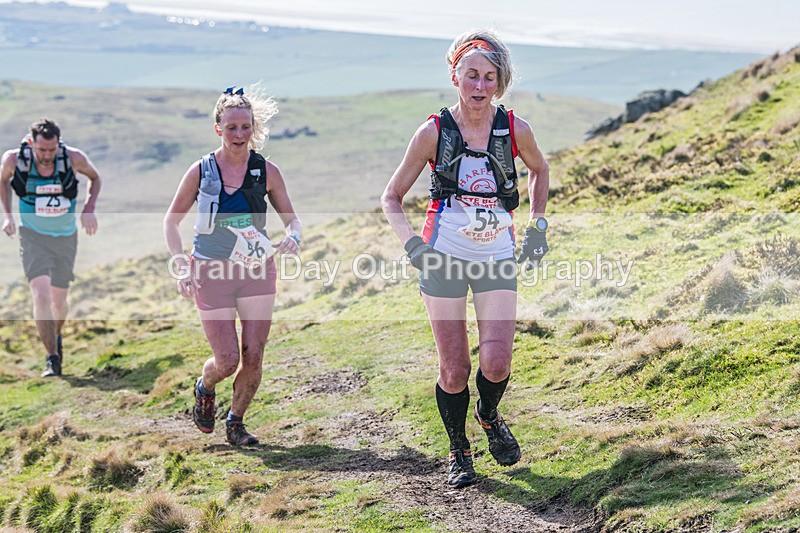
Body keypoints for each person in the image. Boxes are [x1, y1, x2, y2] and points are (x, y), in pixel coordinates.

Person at [381, 30, 550, 488]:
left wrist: (537, 225)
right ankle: (459, 449)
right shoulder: (433, 132)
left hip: (497, 255)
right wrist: (413, 245)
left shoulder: (515, 128)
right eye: (471, 75)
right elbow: (391, 197)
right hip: (443, 259)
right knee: (454, 369)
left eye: (489, 77)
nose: (480, 85)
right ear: (455, 75)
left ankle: (489, 415)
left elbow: (539, 170)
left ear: (499, 82)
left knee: (496, 364)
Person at [164, 85, 302, 446]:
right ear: (218, 129)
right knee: (226, 361)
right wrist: (181, 265)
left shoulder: (266, 170)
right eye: (232, 128)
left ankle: (236, 422)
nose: (239, 135)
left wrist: (294, 237)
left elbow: (293, 220)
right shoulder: (201, 170)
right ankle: (205, 386)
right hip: (211, 270)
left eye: (245, 127)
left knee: (253, 355)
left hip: (256, 268)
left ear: (253, 127)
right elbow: (170, 221)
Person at [0, 119, 102, 377]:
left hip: (65, 236)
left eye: (51, 150)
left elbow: (95, 178)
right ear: (32, 143)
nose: (47, 155)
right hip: (32, 235)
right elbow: (2, 180)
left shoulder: (73, 158)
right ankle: (52, 359)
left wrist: (89, 209)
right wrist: (8, 215)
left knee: (59, 302)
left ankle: (54, 336)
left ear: (58, 144)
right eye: (41, 150)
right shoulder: (14, 160)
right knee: (41, 295)